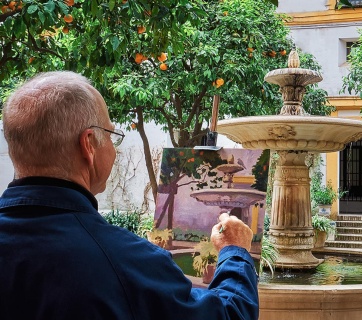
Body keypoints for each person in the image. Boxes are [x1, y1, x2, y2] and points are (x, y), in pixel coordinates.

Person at [0, 71, 259, 319]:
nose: (115, 150)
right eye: (111, 135)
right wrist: (235, 251)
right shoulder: (127, 265)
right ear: (88, 145)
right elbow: (229, 314)